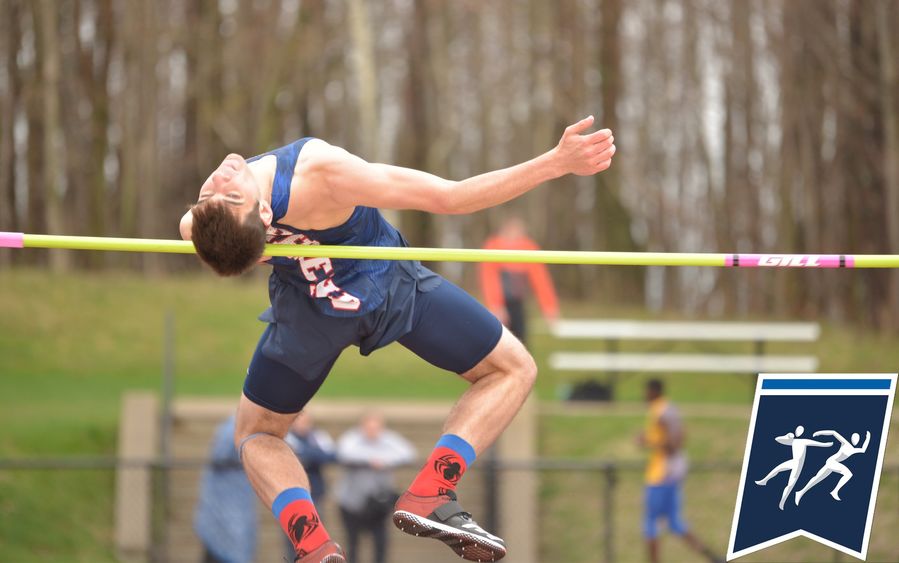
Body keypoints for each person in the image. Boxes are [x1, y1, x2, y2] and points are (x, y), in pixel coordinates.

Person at [178, 115, 616, 563]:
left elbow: (202, 234)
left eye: (214, 194)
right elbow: (451, 197)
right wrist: (556, 163)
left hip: (307, 312)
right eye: (224, 195)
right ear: (263, 216)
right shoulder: (324, 171)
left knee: (256, 433)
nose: (219, 179)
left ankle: (310, 545)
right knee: (512, 368)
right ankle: (432, 490)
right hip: (388, 289)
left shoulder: (200, 226)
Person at [637, 379, 721, 563]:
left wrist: (647, 442)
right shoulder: (668, 408)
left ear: (653, 391)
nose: (644, 395)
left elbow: (674, 443)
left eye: (646, 391)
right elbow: (680, 436)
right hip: (670, 475)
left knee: (651, 524)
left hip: (661, 476)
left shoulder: (661, 411)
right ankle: (714, 558)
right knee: (675, 524)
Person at [335, 412, 416, 563]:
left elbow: (408, 452)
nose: (373, 431)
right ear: (362, 426)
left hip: (378, 504)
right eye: (369, 427)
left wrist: (385, 460)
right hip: (352, 503)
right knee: (352, 544)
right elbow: (344, 453)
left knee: (381, 544)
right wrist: (370, 459)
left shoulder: (388, 439)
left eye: (376, 428)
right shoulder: (352, 438)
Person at [479, 217, 559, 347]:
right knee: (498, 347)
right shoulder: (493, 246)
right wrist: (496, 305)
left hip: (518, 305)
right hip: (501, 305)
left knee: (521, 345)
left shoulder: (528, 247)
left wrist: (549, 308)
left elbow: (541, 280)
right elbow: (489, 279)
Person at [194, 415, 257, 563]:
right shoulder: (232, 429)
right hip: (220, 507)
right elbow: (219, 456)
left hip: (241, 504)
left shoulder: (250, 431)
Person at [283, 412, 337, 559]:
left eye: (306, 422)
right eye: (299, 421)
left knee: (316, 537)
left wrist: (305, 454)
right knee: (293, 539)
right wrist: (313, 455)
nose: (303, 425)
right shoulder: (285, 437)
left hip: (315, 494)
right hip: (291, 495)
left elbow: (331, 456)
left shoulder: (318, 436)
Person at [753, 425, 832, 510]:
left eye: (800, 431)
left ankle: (782, 502)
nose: (798, 433)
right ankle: (764, 481)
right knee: (778, 468)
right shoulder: (793, 441)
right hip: (793, 461)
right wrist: (787, 436)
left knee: (790, 484)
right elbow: (778, 439)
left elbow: (820, 444)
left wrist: (828, 444)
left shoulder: (804, 441)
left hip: (798, 466)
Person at [795, 429, 870, 505]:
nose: (855, 440)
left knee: (817, 478)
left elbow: (863, 450)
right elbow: (833, 432)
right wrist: (819, 433)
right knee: (848, 474)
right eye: (854, 438)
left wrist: (868, 438)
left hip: (833, 463)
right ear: (851, 438)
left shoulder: (854, 450)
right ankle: (834, 491)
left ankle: (800, 492)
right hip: (832, 462)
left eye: (857, 439)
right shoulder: (845, 443)